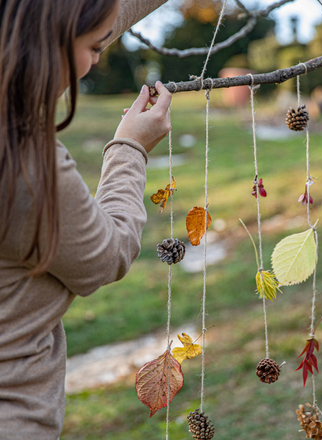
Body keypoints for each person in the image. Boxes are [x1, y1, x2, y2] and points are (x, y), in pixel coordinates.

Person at [0, 0, 171, 438]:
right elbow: (103, 256)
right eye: (95, 47)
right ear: (47, 40)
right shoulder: (23, 162)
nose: (97, 60)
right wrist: (130, 147)